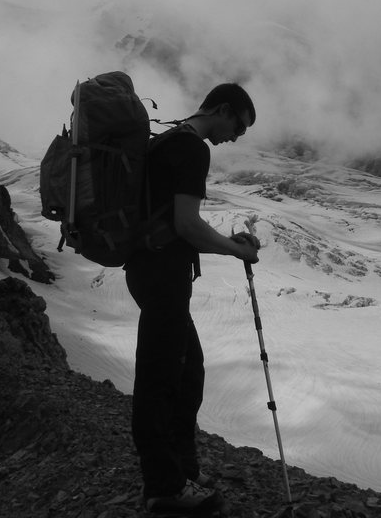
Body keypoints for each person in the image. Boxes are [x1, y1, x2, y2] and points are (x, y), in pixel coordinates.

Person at [124, 83, 260, 514]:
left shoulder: (171, 139)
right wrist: (238, 249)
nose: (237, 136)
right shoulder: (192, 149)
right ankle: (164, 487)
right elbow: (186, 225)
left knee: (187, 370)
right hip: (163, 273)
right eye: (238, 125)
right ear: (222, 110)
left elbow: (174, 219)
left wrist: (225, 240)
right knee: (160, 378)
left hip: (151, 268)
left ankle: (181, 467)